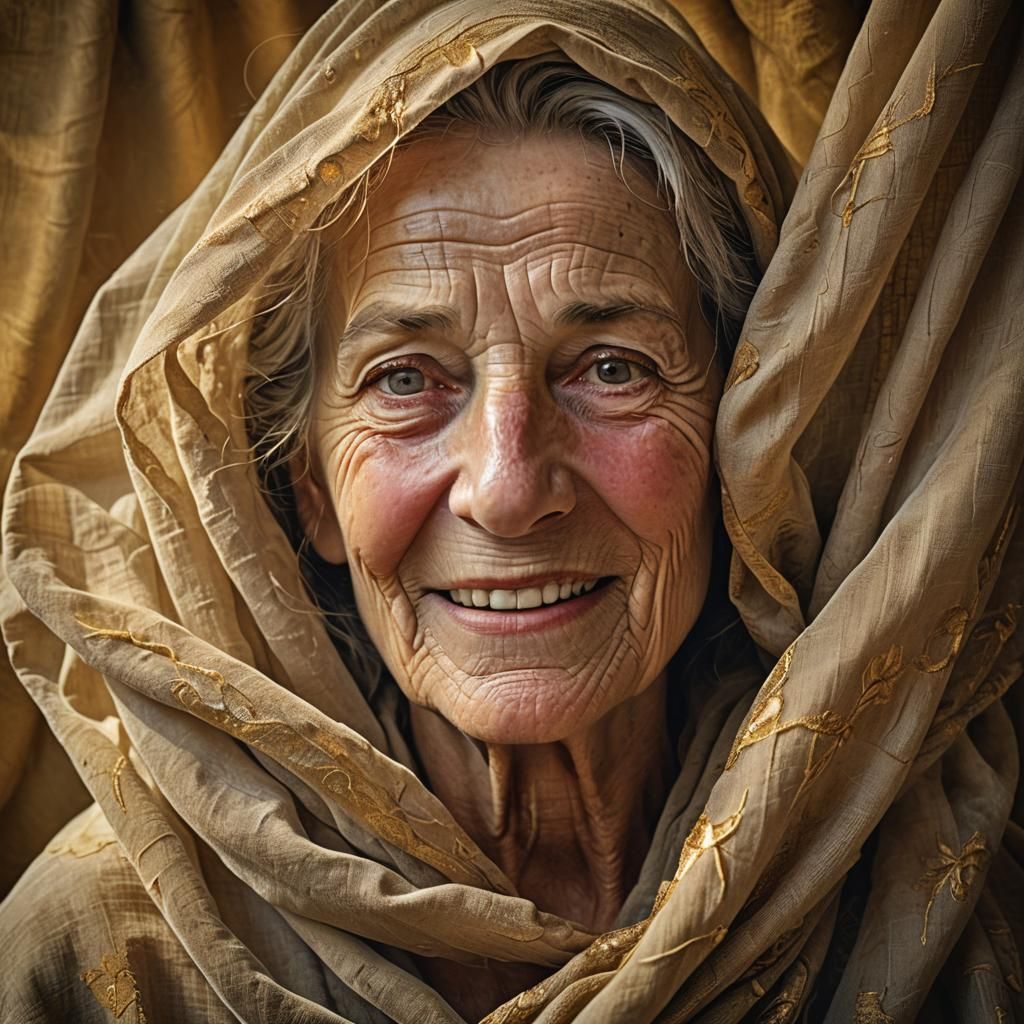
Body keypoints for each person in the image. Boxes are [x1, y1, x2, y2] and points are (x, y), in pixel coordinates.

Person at [1, 1, 1021, 1022]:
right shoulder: (103, 952)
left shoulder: (946, 885)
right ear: (310, 489)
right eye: (404, 380)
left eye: (611, 367)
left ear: (746, 449)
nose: (508, 486)